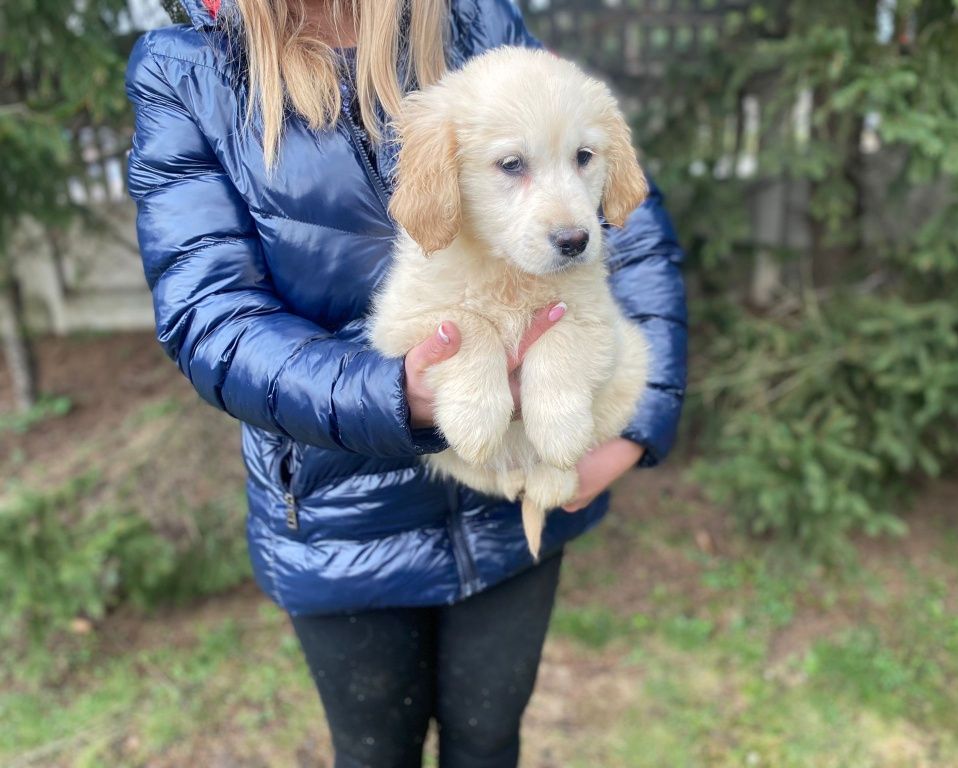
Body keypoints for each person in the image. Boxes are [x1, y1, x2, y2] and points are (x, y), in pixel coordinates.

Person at [125, 0, 687, 765]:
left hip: (514, 497)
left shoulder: (473, 18)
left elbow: (628, 220)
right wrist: (396, 398)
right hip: (341, 507)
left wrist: (633, 424)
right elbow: (211, 317)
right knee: (374, 751)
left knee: (490, 740)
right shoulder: (185, 68)